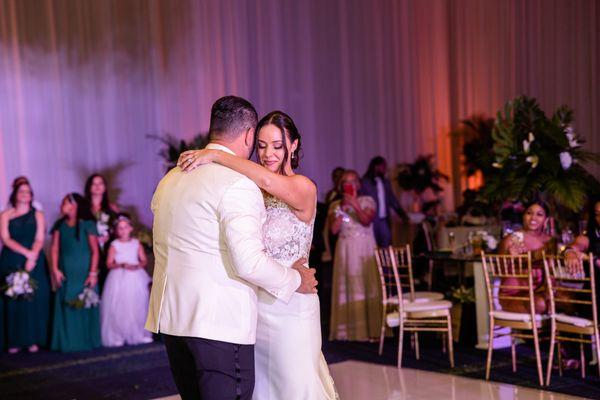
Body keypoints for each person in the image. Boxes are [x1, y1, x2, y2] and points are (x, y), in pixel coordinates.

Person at [147, 96, 319, 400]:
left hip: (291, 305)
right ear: (251, 138)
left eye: (278, 145)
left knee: (293, 387)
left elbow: (266, 178)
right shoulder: (244, 187)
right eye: (262, 145)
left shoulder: (302, 187)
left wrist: (214, 155)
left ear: (294, 145)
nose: (267, 153)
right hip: (252, 308)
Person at [328, 170, 382, 341]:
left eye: (352, 181)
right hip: (345, 248)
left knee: (366, 283)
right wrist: (343, 209)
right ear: (341, 185)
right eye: (345, 181)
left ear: (358, 184)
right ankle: (348, 331)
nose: (349, 184)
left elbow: (366, 220)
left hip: (364, 248)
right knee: (347, 284)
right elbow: (334, 229)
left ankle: (371, 329)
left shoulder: (368, 201)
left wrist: (355, 205)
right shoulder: (335, 205)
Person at [0, 181, 51, 353]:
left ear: (31, 196)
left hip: (34, 259)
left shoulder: (38, 215)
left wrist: (33, 256)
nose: (24, 194)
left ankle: (32, 340)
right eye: (21, 191)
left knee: (32, 299)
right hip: (12, 258)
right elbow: (5, 238)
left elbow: (39, 238)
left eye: (28, 191)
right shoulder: (5, 214)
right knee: (13, 299)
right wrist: (25, 253)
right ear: (15, 194)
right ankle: (14, 340)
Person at [49, 193, 101, 352]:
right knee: (66, 305)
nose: (61, 206)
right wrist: (55, 270)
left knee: (84, 304)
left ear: (74, 205)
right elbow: (55, 248)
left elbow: (95, 250)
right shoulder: (59, 225)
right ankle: (67, 341)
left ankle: (85, 340)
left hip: (84, 273)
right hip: (66, 272)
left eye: (65, 203)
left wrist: (93, 273)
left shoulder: (87, 224)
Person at [100, 213, 152, 347]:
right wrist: (122, 265)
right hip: (119, 278)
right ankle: (118, 335)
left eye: (125, 227)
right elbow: (109, 263)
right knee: (119, 306)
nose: (123, 230)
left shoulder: (136, 243)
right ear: (116, 231)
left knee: (138, 305)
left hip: (136, 277)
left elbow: (144, 260)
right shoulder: (114, 244)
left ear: (131, 228)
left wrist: (138, 265)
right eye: (120, 228)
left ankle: (140, 333)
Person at [498, 200, 556, 314]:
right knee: (540, 304)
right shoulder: (511, 239)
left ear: (546, 219)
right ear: (524, 216)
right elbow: (499, 270)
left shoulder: (549, 241)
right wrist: (509, 256)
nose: (533, 217)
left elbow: (551, 273)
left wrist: (550, 292)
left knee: (569, 301)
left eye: (539, 214)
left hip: (540, 292)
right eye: (529, 213)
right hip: (514, 296)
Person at [361, 156, 407, 247]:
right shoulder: (365, 182)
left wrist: (401, 213)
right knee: (372, 245)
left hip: (383, 220)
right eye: (383, 166)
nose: (385, 169)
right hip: (371, 220)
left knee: (386, 244)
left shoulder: (385, 182)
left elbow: (391, 199)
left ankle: (387, 261)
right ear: (376, 167)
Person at [84, 173, 119, 290]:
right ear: (89, 187)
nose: (97, 186)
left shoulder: (112, 208)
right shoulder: (83, 208)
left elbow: (119, 230)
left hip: (108, 251)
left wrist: (109, 236)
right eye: (94, 184)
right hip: (89, 249)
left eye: (100, 183)